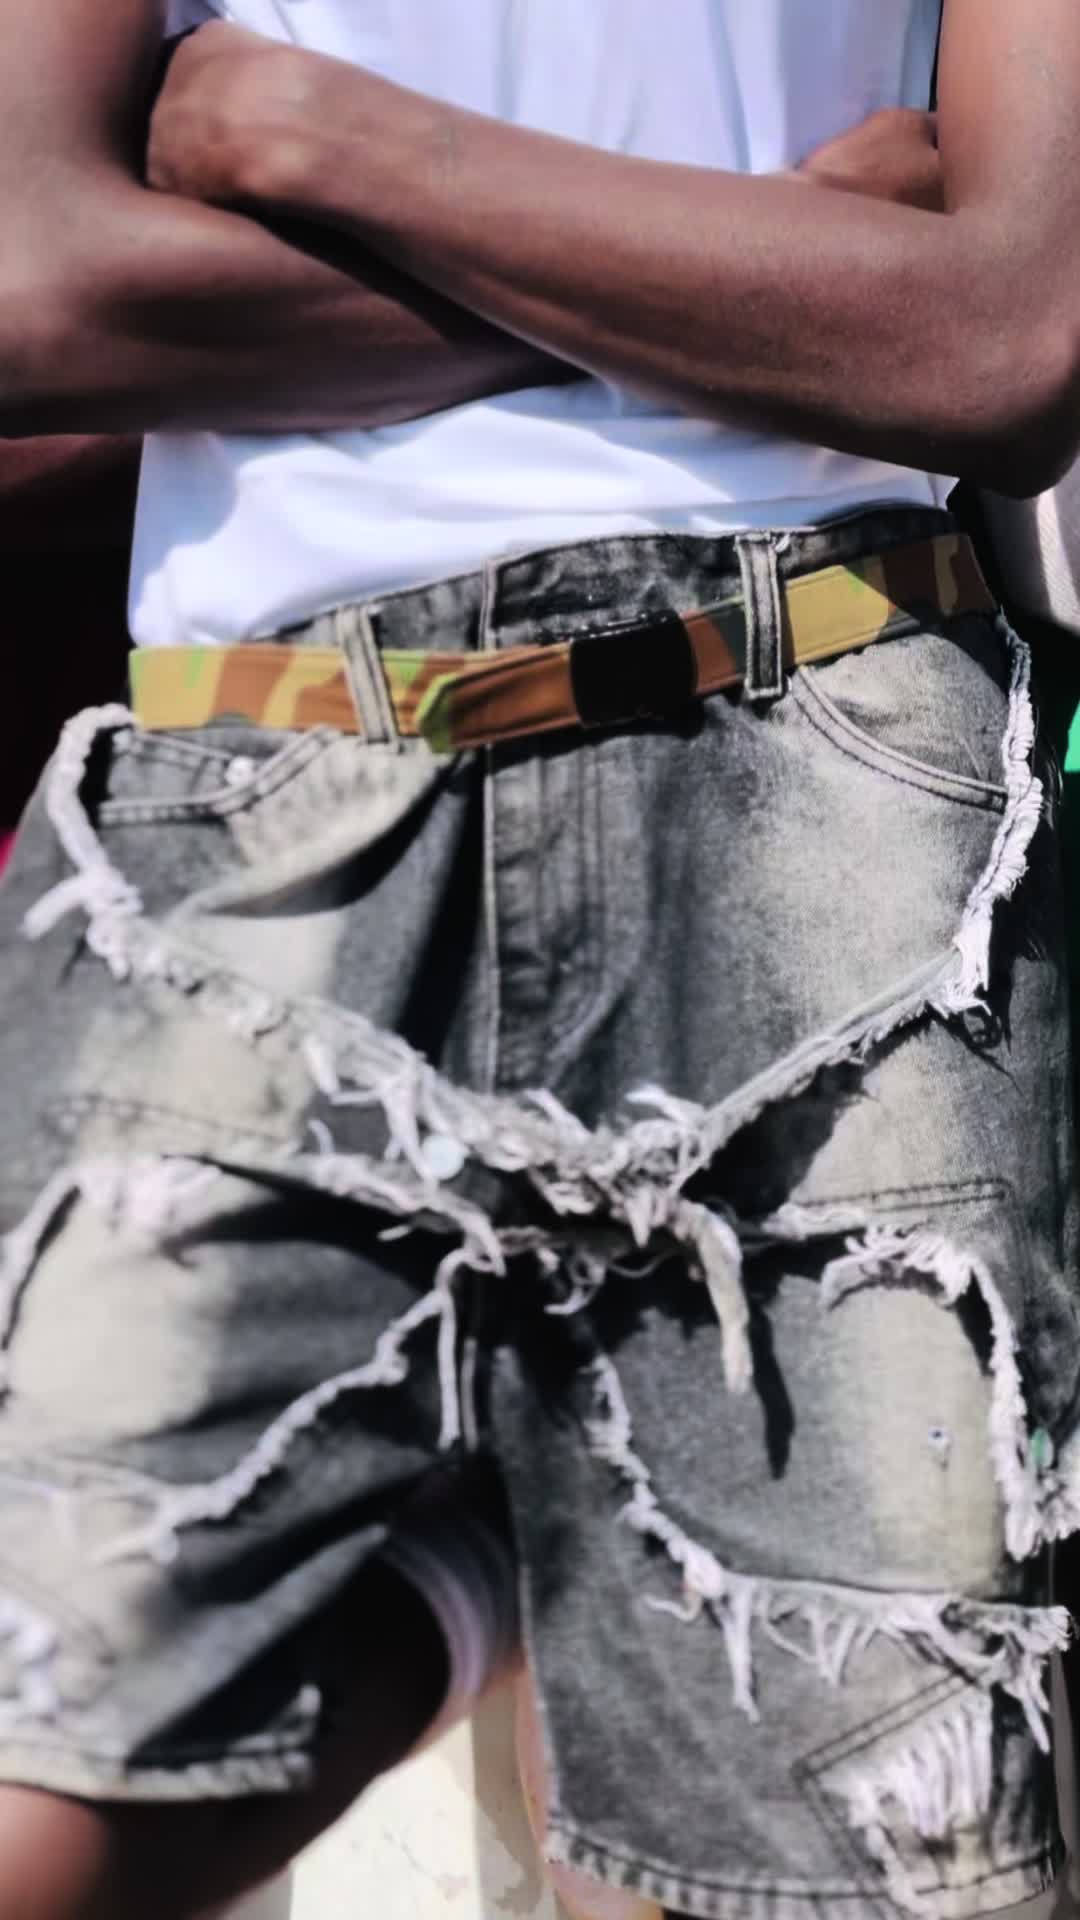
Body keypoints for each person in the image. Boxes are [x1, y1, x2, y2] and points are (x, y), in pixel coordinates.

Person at [0, 4, 1077, 1917]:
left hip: (813, 713)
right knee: (44, 1789)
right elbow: (39, 295)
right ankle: (510, 1536)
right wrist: (761, 267)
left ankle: (525, 1523)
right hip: (275, 757)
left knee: (871, 1844)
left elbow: (995, 343)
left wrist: (317, 138)